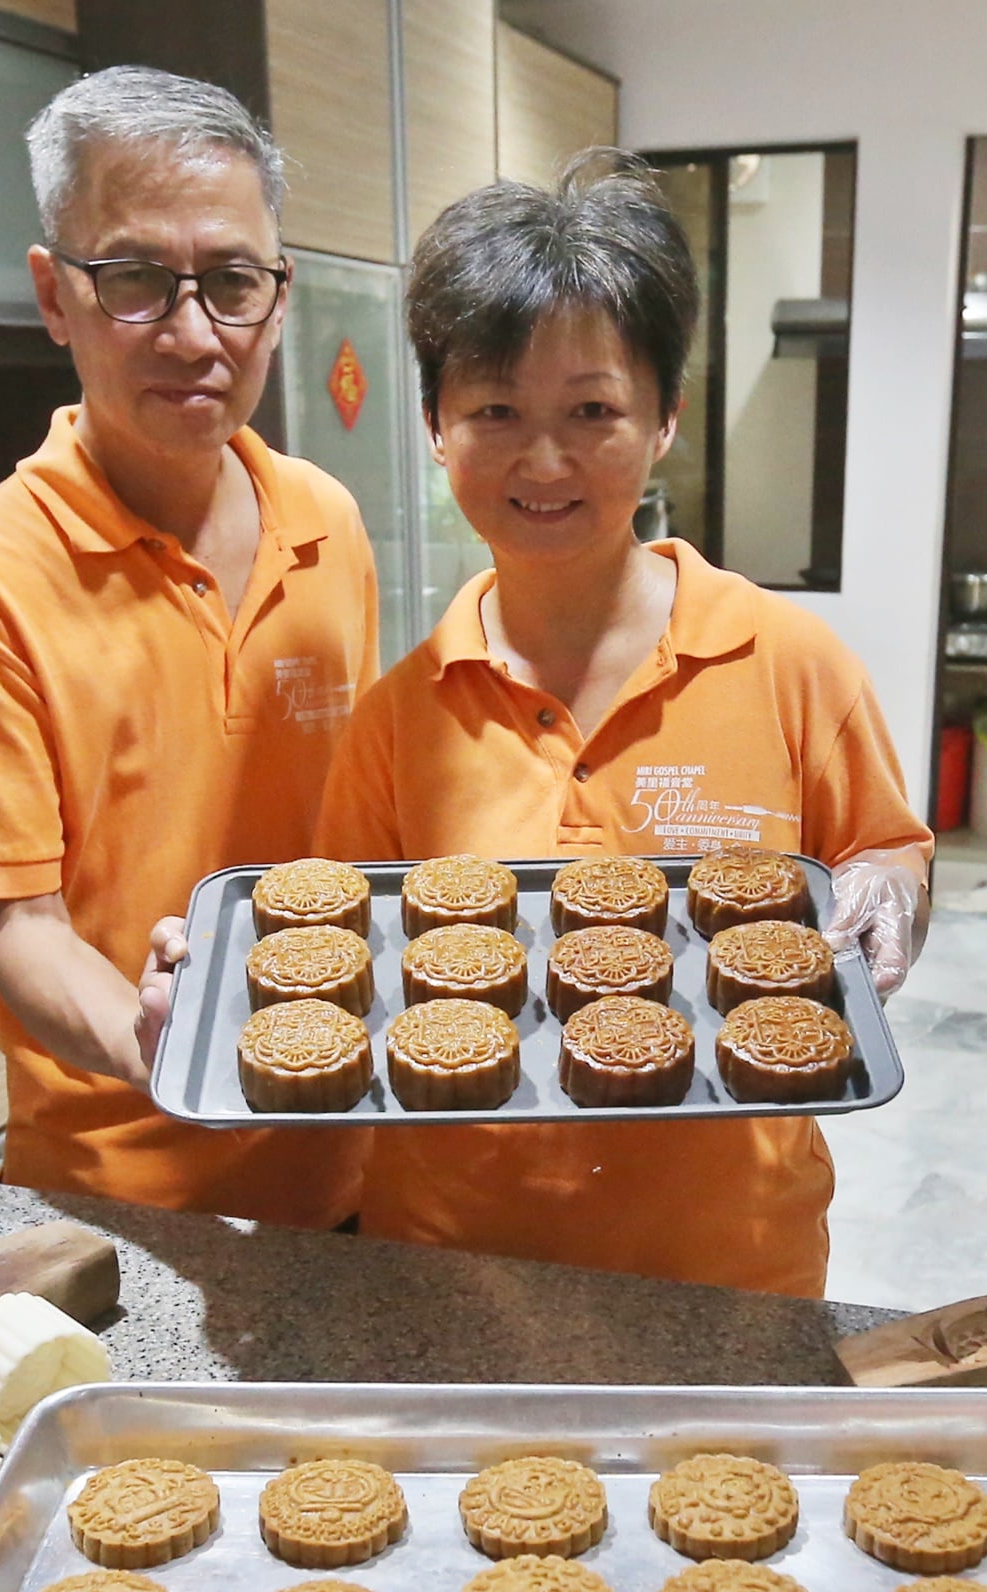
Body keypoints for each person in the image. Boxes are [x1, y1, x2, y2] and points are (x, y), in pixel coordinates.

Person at [310, 155, 932, 1298]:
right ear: (436, 426)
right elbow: (352, 956)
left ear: (663, 421)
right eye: (494, 410)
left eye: (592, 410)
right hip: (454, 1267)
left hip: (731, 1263)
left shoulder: (789, 662)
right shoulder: (401, 716)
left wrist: (887, 895)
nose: (543, 459)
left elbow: (885, 851)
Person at [0, 67, 375, 1223]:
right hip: (125, 1200)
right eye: (134, 280)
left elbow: (357, 837)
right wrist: (169, 1046)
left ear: (279, 295)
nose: (192, 333)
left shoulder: (328, 521)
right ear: (53, 296)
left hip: (356, 1162)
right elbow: (22, 928)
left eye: (231, 282)